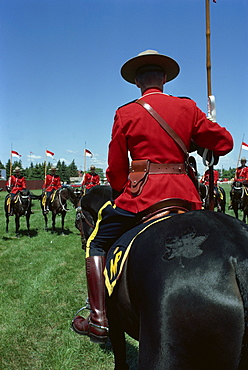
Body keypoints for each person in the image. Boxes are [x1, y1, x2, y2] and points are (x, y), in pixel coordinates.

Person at [72, 50, 233, 343]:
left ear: (136, 81)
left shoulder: (126, 113)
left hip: (142, 198)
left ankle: (97, 319)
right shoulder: (188, 108)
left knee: (96, 243)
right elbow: (225, 143)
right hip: (185, 197)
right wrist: (205, 126)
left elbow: (117, 170)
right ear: (164, 78)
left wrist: (123, 188)